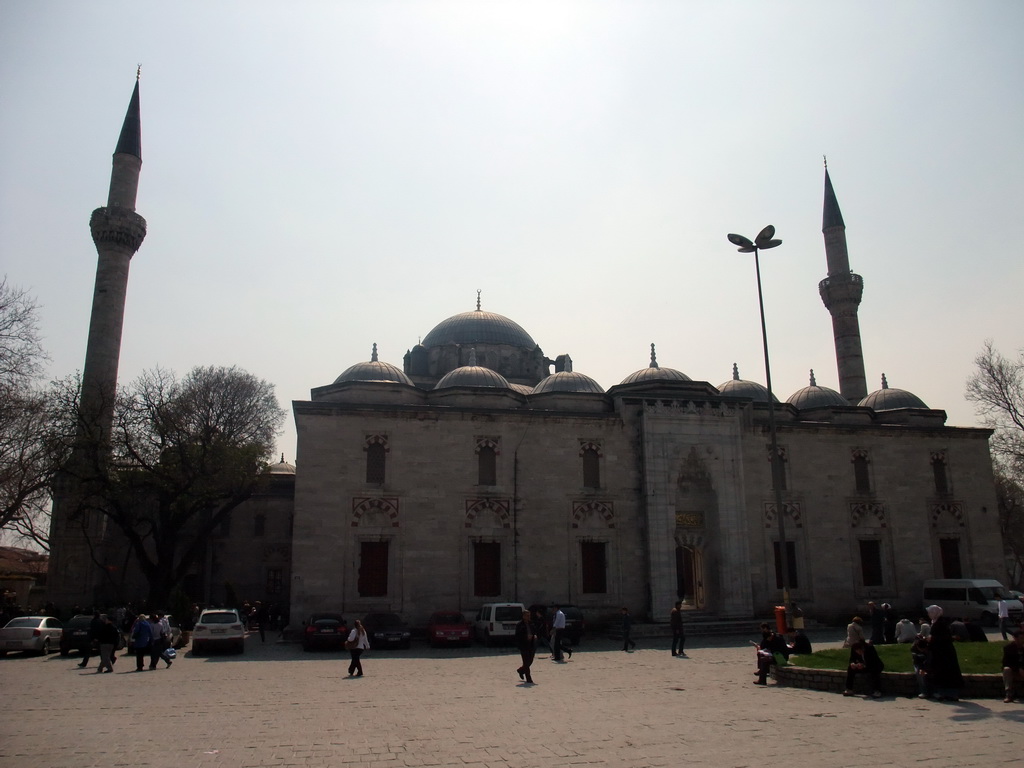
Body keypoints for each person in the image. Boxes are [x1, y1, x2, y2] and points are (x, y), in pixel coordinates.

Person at [925, 604, 964, 701]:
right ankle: (945, 693)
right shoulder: (937, 622)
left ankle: (948, 693)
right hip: (941, 651)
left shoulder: (940, 623)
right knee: (943, 672)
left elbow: (944, 637)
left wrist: (932, 639)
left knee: (945, 672)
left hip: (943, 652)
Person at [1001, 630, 1024, 703]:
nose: (1023, 640)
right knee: (1006, 669)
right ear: (1015, 638)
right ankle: (1009, 694)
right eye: (1021, 638)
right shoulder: (1008, 648)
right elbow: (1006, 663)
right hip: (1014, 670)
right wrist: (1018, 668)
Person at [515, 609, 536, 684]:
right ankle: (529, 678)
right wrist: (526, 637)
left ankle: (521, 670)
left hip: (531, 644)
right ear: (523, 616)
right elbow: (518, 635)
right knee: (526, 661)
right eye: (527, 615)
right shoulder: (520, 625)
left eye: (529, 615)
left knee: (530, 661)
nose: (529, 617)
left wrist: (534, 636)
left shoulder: (531, 623)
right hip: (523, 645)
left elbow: (534, 631)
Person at [911, 633, 932, 699]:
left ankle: (934, 691)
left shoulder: (929, 648)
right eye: (921, 649)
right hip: (918, 663)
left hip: (928, 662)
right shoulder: (914, 649)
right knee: (920, 673)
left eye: (924, 649)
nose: (923, 650)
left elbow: (930, 659)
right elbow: (917, 661)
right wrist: (922, 668)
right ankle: (924, 691)